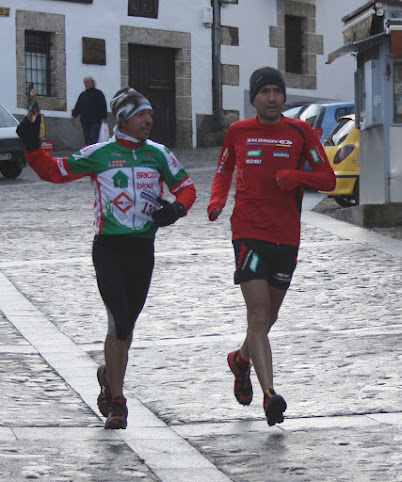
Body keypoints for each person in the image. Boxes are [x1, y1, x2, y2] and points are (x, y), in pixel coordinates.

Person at [17, 87, 196, 430]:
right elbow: (54, 171)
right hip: (109, 249)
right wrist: (31, 147)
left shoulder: (158, 154)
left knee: (127, 328)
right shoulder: (100, 153)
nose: (149, 120)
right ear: (124, 119)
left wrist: (177, 208)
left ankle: (107, 375)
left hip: (143, 250)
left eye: (150, 114)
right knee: (119, 322)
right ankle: (117, 403)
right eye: (142, 115)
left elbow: (186, 187)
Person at [207, 66, 336, 426]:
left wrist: (296, 177)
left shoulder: (301, 131)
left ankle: (240, 360)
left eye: (278, 91)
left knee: (270, 317)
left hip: (286, 236)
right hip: (248, 232)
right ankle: (269, 396)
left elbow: (327, 178)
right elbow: (223, 170)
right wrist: (216, 201)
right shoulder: (238, 131)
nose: (273, 98)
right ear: (254, 98)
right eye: (265, 92)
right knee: (258, 317)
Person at [71, 76, 107, 146]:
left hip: (95, 120)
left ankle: (92, 153)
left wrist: (104, 117)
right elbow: (78, 106)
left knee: (93, 137)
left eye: (88, 82)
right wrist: (74, 115)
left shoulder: (98, 93)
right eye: (85, 83)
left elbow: (103, 106)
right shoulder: (82, 95)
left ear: (92, 83)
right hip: (85, 120)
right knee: (87, 138)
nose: (86, 84)